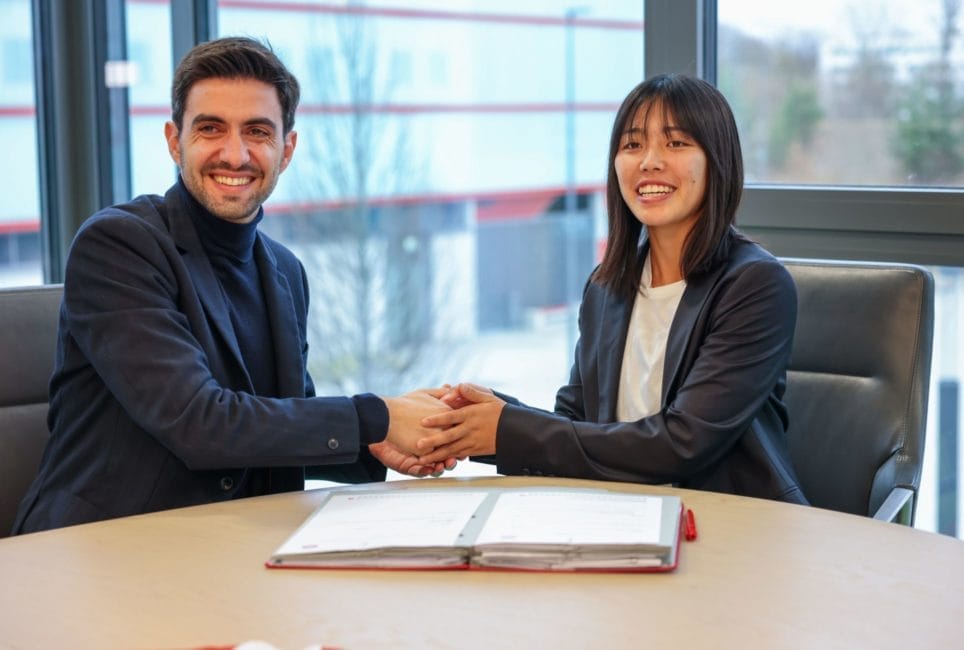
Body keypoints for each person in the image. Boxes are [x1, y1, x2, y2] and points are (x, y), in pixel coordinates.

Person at [12, 37, 454, 535]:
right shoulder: (118, 246)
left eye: (258, 131)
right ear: (175, 141)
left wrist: (379, 443)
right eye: (211, 128)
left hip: (235, 550)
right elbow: (199, 423)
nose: (235, 153)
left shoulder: (285, 273)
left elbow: (284, 424)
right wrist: (377, 416)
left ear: (286, 149)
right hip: (100, 552)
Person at [417, 74, 808, 504]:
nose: (650, 162)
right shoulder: (606, 287)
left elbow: (683, 443)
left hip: (734, 525)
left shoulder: (755, 286)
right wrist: (484, 416)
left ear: (718, 161)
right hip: (619, 516)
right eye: (632, 144)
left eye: (676, 144)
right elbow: (575, 424)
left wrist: (506, 428)